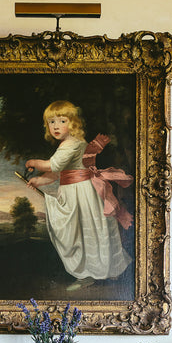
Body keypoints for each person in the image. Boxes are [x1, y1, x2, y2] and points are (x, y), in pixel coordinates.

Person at [25, 100, 132, 291]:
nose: (56, 126)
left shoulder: (72, 143)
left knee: (85, 231)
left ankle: (95, 272)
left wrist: (33, 161)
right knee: (79, 233)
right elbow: (57, 173)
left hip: (82, 193)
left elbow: (53, 165)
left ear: (73, 123)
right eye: (51, 122)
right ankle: (89, 273)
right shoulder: (66, 145)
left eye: (62, 121)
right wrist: (38, 181)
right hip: (71, 192)